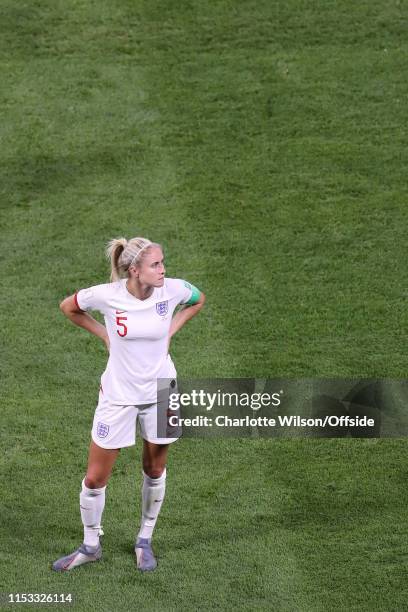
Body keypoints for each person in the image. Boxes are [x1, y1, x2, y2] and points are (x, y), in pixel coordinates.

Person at [52, 236, 205, 572]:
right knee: (94, 479)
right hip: (118, 395)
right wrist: (103, 334)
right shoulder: (107, 296)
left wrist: (170, 330)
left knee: (154, 469)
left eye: (163, 262)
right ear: (135, 270)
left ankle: (144, 539)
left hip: (162, 392)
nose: (163, 270)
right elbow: (69, 307)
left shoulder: (173, 290)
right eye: (156, 265)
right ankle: (91, 545)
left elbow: (197, 300)